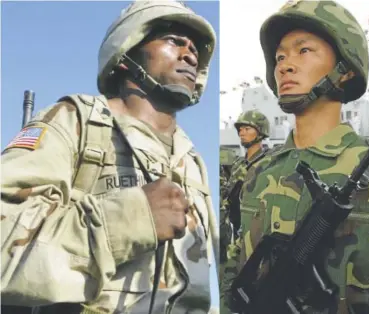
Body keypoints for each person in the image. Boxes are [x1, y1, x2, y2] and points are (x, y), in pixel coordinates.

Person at [1, 1, 219, 313]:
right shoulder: (78, 121)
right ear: (127, 52)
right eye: (173, 40)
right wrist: (132, 218)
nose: (190, 54)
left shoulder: (192, 159)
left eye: (194, 47)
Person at [220, 1, 369, 313]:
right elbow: (235, 268)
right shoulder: (259, 172)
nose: (285, 65)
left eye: (304, 51)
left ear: (345, 71)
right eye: (280, 57)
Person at [219, 111, 270, 278]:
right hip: (234, 229)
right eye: (240, 129)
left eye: (247, 128)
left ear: (260, 132)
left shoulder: (269, 162)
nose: (242, 132)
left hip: (256, 230)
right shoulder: (238, 164)